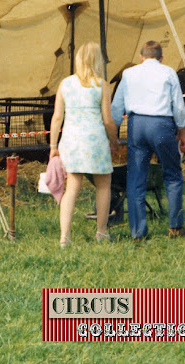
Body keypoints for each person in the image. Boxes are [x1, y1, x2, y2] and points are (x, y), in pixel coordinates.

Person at [111, 41, 185, 242]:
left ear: (141, 57)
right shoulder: (168, 72)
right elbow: (178, 107)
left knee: (135, 178)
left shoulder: (128, 74)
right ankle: (175, 226)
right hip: (162, 125)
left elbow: (116, 107)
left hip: (136, 125)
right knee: (172, 174)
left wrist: (112, 135)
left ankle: (138, 233)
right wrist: (181, 131)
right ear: (161, 58)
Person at [49, 41, 120, 248]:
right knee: (103, 185)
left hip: (71, 141)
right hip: (95, 141)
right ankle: (101, 232)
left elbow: (56, 117)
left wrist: (53, 146)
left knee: (72, 187)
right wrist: (114, 141)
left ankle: (65, 236)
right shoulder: (102, 85)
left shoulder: (65, 84)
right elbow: (107, 120)